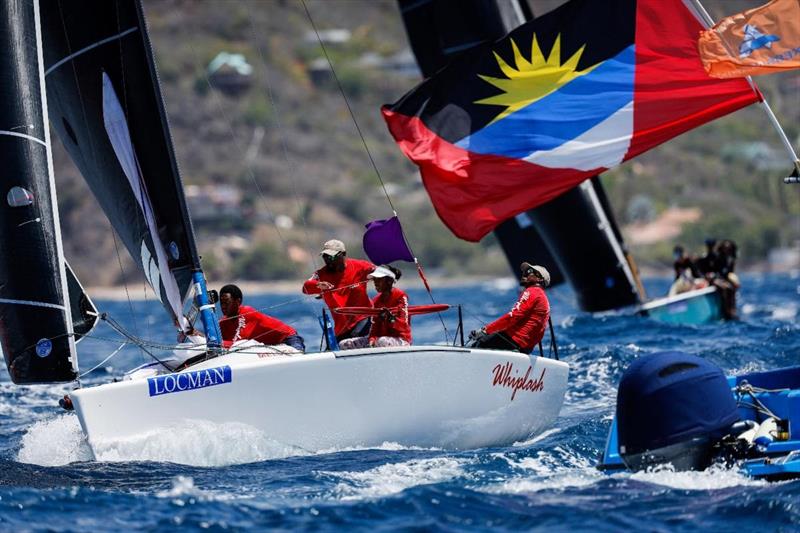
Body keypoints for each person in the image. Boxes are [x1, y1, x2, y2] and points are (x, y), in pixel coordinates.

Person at [302, 239, 375, 341]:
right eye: (325, 256)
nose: (328, 260)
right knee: (340, 345)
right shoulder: (321, 274)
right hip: (342, 328)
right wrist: (318, 285)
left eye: (332, 256)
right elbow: (305, 288)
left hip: (363, 319)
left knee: (356, 336)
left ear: (343, 254)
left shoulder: (360, 266)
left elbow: (381, 272)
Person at [470, 263, 550, 353]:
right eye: (525, 272)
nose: (525, 274)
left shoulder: (532, 292)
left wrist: (485, 330)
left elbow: (513, 316)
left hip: (515, 342)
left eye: (530, 271)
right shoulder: (542, 296)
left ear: (539, 279)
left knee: (479, 343)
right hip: (525, 347)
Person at [339, 265, 412, 350]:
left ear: (389, 281)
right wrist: (372, 340)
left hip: (401, 340)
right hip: (380, 340)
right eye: (374, 279)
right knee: (344, 344)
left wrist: (390, 319)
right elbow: (374, 328)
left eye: (379, 279)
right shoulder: (376, 301)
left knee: (381, 341)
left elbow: (404, 325)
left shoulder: (401, 296)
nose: (375, 283)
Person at [218, 284, 305, 352]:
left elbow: (239, 343)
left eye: (227, 303)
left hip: (289, 339)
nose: (223, 306)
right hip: (271, 347)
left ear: (238, 302)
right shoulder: (223, 323)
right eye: (221, 303)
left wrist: (218, 344)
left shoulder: (247, 313)